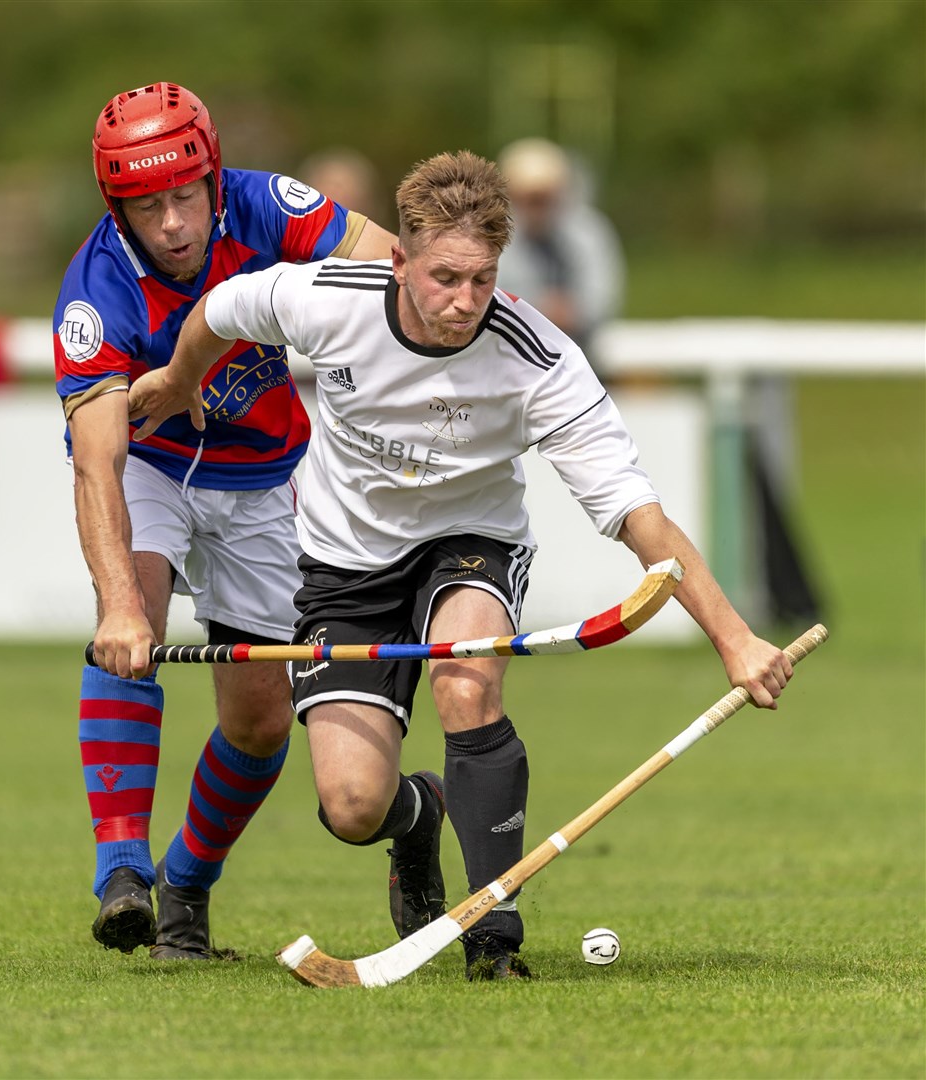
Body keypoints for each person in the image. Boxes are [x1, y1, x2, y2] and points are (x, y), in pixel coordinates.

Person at [126, 150, 793, 980]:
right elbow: (220, 312)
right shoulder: (324, 297)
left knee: (467, 681)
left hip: (470, 541)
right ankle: (419, 818)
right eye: (444, 277)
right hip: (345, 562)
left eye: (482, 280)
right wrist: (181, 379)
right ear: (398, 260)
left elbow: (639, 517)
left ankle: (493, 934)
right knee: (351, 805)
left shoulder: (535, 357)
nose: (464, 302)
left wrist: (735, 641)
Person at [52, 82, 395, 961]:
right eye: (145, 205)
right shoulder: (93, 296)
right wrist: (119, 603)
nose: (171, 223)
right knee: (134, 614)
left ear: (212, 177)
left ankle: (185, 892)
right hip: (155, 465)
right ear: (115, 205)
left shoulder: (266, 204)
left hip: (263, 476)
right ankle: (121, 872)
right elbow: (98, 464)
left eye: (184, 197)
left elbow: (388, 262)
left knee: (260, 721)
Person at [496, 137, 624, 365]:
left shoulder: (588, 231)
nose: (537, 207)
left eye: (544, 197)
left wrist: (574, 312)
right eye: (529, 198)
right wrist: (542, 308)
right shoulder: (493, 234)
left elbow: (604, 296)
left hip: (581, 362)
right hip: (509, 362)